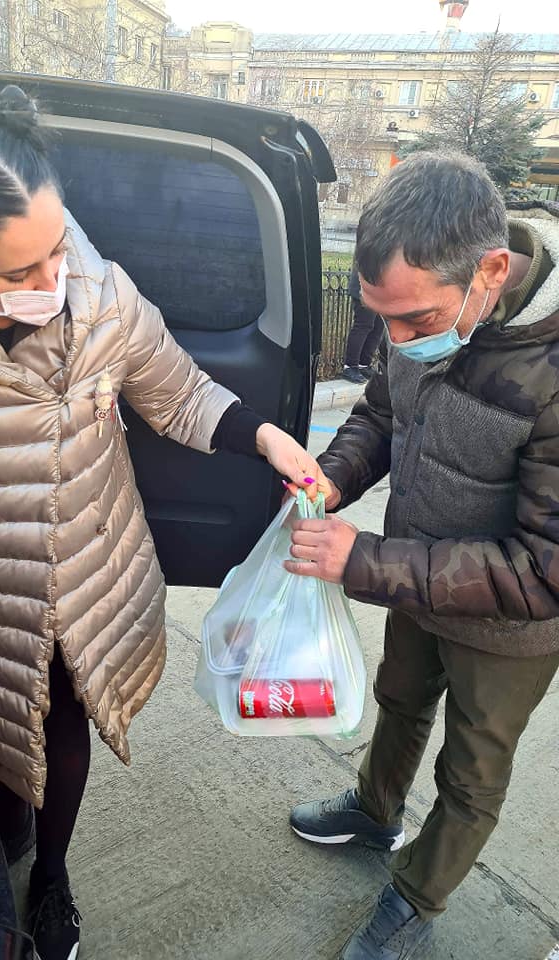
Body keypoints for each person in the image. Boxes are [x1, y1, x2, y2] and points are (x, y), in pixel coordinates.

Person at [0, 82, 321, 960]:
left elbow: (179, 393)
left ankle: (52, 870)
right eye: (19, 274)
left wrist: (264, 437)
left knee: (66, 727)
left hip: (96, 579)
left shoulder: (102, 294)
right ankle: (11, 831)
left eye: (57, 250)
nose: (51, 285)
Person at [284, 152, 559, 960]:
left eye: (415, 320)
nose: (397, 341)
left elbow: (544, 568)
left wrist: (364, 560)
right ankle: (375, 811)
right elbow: (380, 413)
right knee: (399, 699)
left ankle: (415, 898)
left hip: (510, 628)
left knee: (471, 774)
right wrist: (332, 477)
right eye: (384, 320)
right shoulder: (419, 313)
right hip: (415, 578)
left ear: (492, 272)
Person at [341, 262, 383, 384]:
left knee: (377, 328)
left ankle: (364, 364)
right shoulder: (371, 248)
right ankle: (350, 367)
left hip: (380, 292)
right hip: (365, 289)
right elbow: (366, 261)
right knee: (363, 325)